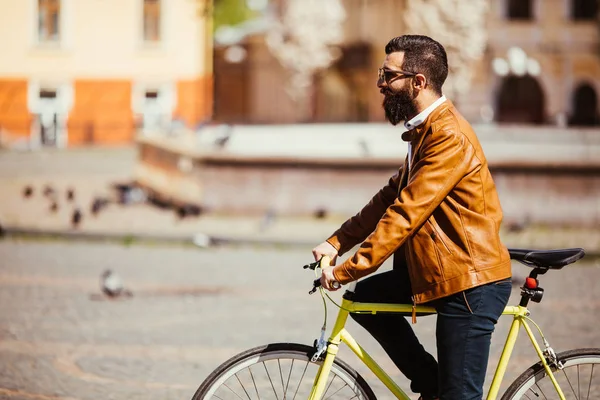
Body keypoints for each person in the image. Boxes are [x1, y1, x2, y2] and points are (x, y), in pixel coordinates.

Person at [312, 35, 512, 400]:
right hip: (438, 271)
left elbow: (406, 214)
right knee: (367, 301)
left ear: (417, 82)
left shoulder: (448, 136)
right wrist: (336, 242)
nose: (380, 84)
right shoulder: (424, 130)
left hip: (469, 281)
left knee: (460, 396)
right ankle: (430, 385)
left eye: (388, 76)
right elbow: (390, 197)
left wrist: (345, 270)